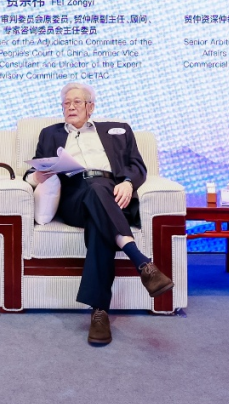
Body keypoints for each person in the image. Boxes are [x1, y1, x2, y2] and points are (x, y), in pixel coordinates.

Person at [26, 83, 174, 345]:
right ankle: (140, 260)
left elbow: (137, 166)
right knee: (93, 190)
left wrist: (128, 183)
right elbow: (33, 170)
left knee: (98, 218)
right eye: (66, 103)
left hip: (113, 192)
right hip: (73, 198)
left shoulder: (118, 130)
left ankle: (100, 312)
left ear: (90, 107)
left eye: (77, 102)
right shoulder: (49, 134)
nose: (70, 107)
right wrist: (37, 176)